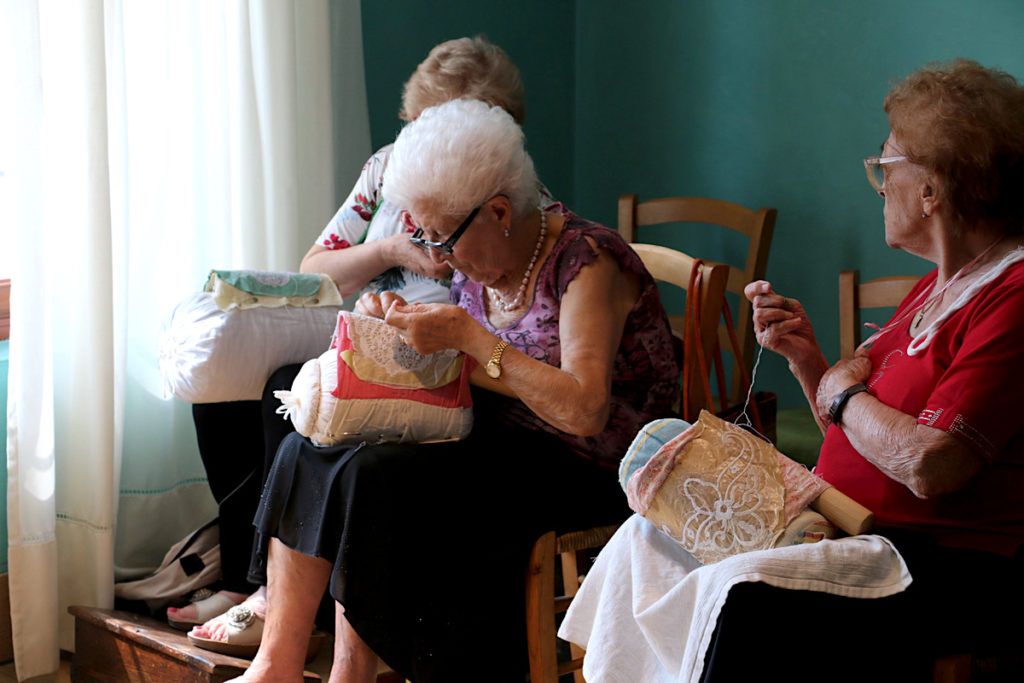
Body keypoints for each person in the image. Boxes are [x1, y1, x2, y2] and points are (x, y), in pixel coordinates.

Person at [560, 59, 1024, 682]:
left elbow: (929, 461)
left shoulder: (1012, 293)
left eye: (885, 167)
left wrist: (841, 388)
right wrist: (812, 364)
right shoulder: (938, 287)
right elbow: (857, 423)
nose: (879, 185)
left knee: (739, 592)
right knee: (647, 543)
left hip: (943, 562)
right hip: (853, 531)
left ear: (933, 189)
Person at [226, 97, 681, 683]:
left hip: (587, 467)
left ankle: (349, 674)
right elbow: (469, 372)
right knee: (312, 446)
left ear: (498, 210)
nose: (437, 256)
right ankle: (276, 666)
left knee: (375, 478)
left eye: (442, 238)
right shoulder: (476, 257)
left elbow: (586, 409)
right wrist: (387, 323)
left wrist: (465, 337)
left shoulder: (586, 262)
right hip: (492, 438)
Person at [170, 37, 532, 640]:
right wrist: (391, 249)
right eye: (415, 124)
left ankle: (282, 601)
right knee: (222, 385)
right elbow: (316, 269)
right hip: (356, 328)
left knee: (288, 392)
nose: (418, 141)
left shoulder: (507, 199)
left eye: (436, 127)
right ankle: (243, 573)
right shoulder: (385, 168)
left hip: (429, 357)